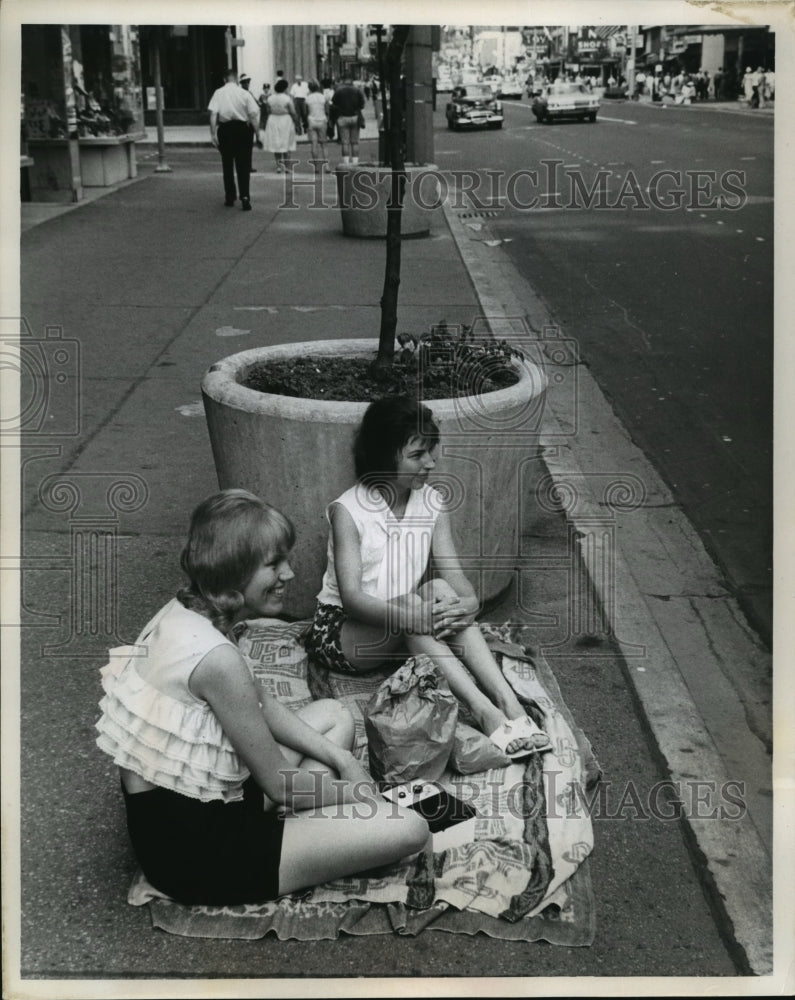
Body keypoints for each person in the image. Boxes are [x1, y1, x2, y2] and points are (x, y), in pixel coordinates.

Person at [96, 489, 428, 907]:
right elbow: (279, 784)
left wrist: (344, 762)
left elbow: (263, 703)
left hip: (201, 807)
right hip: (202, 855)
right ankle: (313, 838)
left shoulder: (187, 609)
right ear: (234, 572)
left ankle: (320, 830)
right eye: (274, 564)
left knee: (335, 715)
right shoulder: (216, 659)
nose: (289, 574)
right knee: (409, 828)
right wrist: (363, 793)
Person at [304, 397, 553, 760]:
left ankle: (508, 702)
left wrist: (466, 604)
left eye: (431, 452)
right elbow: (353, 597)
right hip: (344, 631)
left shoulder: (432, 502)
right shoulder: (349, 511)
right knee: (412, 602)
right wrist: (412, 616)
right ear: (385, 455)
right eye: (417, 455)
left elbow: (454, 575)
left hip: (402, 624)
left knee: (440, 590)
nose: (430, 463)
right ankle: (485, 712)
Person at [208, 68, 260, 210]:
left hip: (225, 130)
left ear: (224, 80)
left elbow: (213, 114)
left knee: (227, 164)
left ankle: (230, 197)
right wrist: (258, 134)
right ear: (237, 80)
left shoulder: (218, 93)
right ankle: (245, 197)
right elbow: (254, 115)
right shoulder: (244, 93)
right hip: (242, 130)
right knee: (243, 164)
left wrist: (213, 134)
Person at [262, 78, 299, 173]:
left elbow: (268, 110)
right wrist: (297, 122)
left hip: (273, 119)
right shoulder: (287, 99)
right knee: (287, 142)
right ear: (285, 88)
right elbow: (293, 112)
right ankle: (287, 167)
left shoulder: (270, 98)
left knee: (276, 143)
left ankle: (279, 166)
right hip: (285, 120)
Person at [331, 74, 365, 165]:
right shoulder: (357, 91)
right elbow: (362, 105)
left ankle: (346, 163)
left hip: (342, 117)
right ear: (351, 81)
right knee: (355, 142)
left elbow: (334, 104)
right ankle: (355, 163)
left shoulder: (338, 91)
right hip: (355, 117)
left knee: (345, 142)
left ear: (343, 81)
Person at [305, 79, 329, 169]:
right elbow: (327, 109)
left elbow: (306, 111)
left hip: (312, 121)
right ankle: (327, 166)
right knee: (324, 145)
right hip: (322, 120)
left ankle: (316, 167)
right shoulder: (323, 97)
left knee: (314, 144)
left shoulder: (308, 98)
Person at [238, 73, 259, 173]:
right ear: (241, 83)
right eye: (245, 82)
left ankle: (248, 165)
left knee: (249, 146)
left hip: (250, 122)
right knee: (243, 146)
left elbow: (256, 104)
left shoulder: (249, 93)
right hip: (244, 121)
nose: (247, 84)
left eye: (248, 82)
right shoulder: (240, 94)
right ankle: (244, 165)